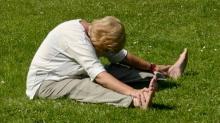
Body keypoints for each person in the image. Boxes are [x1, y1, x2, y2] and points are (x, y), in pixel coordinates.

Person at [26, 16, 188, 109]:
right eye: (107, 51)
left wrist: (153, 67)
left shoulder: (95, 33)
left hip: (76, 73)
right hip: (47, 83)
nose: (108, 54)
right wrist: (133, 92)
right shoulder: (75, 37)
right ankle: (138, 101)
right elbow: (99, 76)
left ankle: (166, 74)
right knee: (85, 87)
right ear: (102, 44)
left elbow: (123, 57)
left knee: (118, 70)